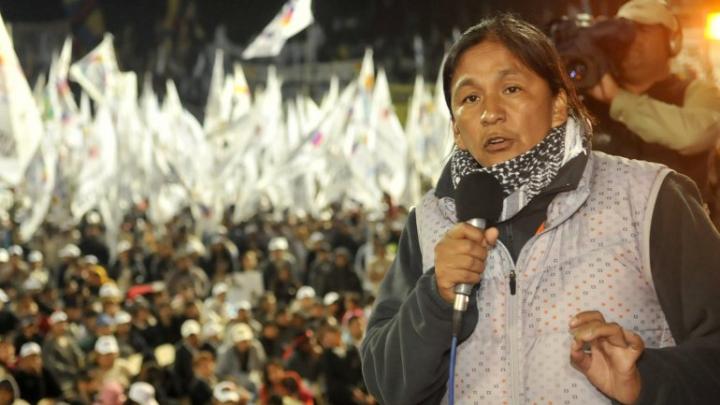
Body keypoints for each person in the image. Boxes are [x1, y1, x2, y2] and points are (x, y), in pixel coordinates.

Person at [361, 13, 720, 404]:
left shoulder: (648, 198)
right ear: (456, 131)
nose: (490, 113)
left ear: (558, 105)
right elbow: (387, 384)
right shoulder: (428, 223)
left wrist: (646, 379)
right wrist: (434, 298)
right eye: (470, 98)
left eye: (511, 88)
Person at [586, 0, 720, 213]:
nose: (628, 39)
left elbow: (692, 135)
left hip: (678, 225)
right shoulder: (589, 95)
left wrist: (617, 99)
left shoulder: (698, 91)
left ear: (672, 42)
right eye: (621, 31)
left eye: (643, 29)